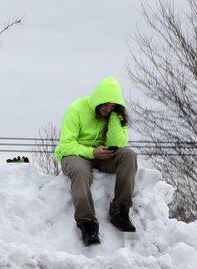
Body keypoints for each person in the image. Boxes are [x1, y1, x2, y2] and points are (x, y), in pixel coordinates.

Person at [53, 76, 137, 246]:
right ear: (98, 99)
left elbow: (119, 144)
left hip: (102, 156)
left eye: (112, 105)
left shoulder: (115, 115)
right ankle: (88, 225)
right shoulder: (77, 108)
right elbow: (66, 144)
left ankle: (120, 213)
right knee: (80, 172)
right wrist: (92, 152)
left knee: (129, 155)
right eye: (105, 104)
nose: (107, 108)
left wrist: (114, 119)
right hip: (75, 154)